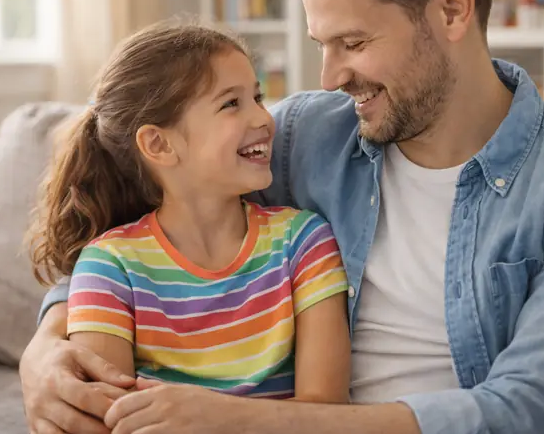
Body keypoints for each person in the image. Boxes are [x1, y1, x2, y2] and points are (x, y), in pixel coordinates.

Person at [19, 0, 544, 433]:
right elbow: (147, 228)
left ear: (452, 8)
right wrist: (47, 348)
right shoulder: (307, 134)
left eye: (353, 42)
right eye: (322, 45)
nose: (331, 76)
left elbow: (540, 412)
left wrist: (238, 421)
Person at [23, 23, 352, 432]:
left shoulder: (303, 242)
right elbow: (106, 421)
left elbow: (327, 411)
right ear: (159, 144)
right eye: (231, 103)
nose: (264, 118)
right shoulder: (109, 266)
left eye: (258, 97)